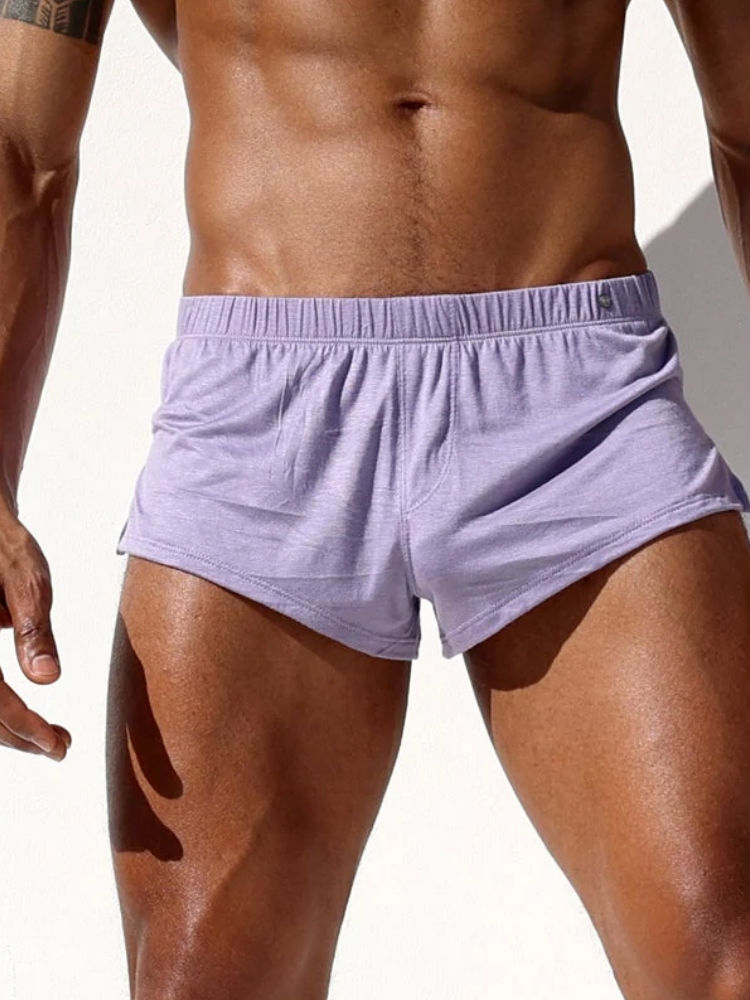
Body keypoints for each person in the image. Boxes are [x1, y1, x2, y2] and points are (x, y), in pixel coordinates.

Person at [2, 0, 750, 996]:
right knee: (199, 980)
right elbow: (20, 148)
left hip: (581, 409)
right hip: (262, 420)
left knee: (730, 953)